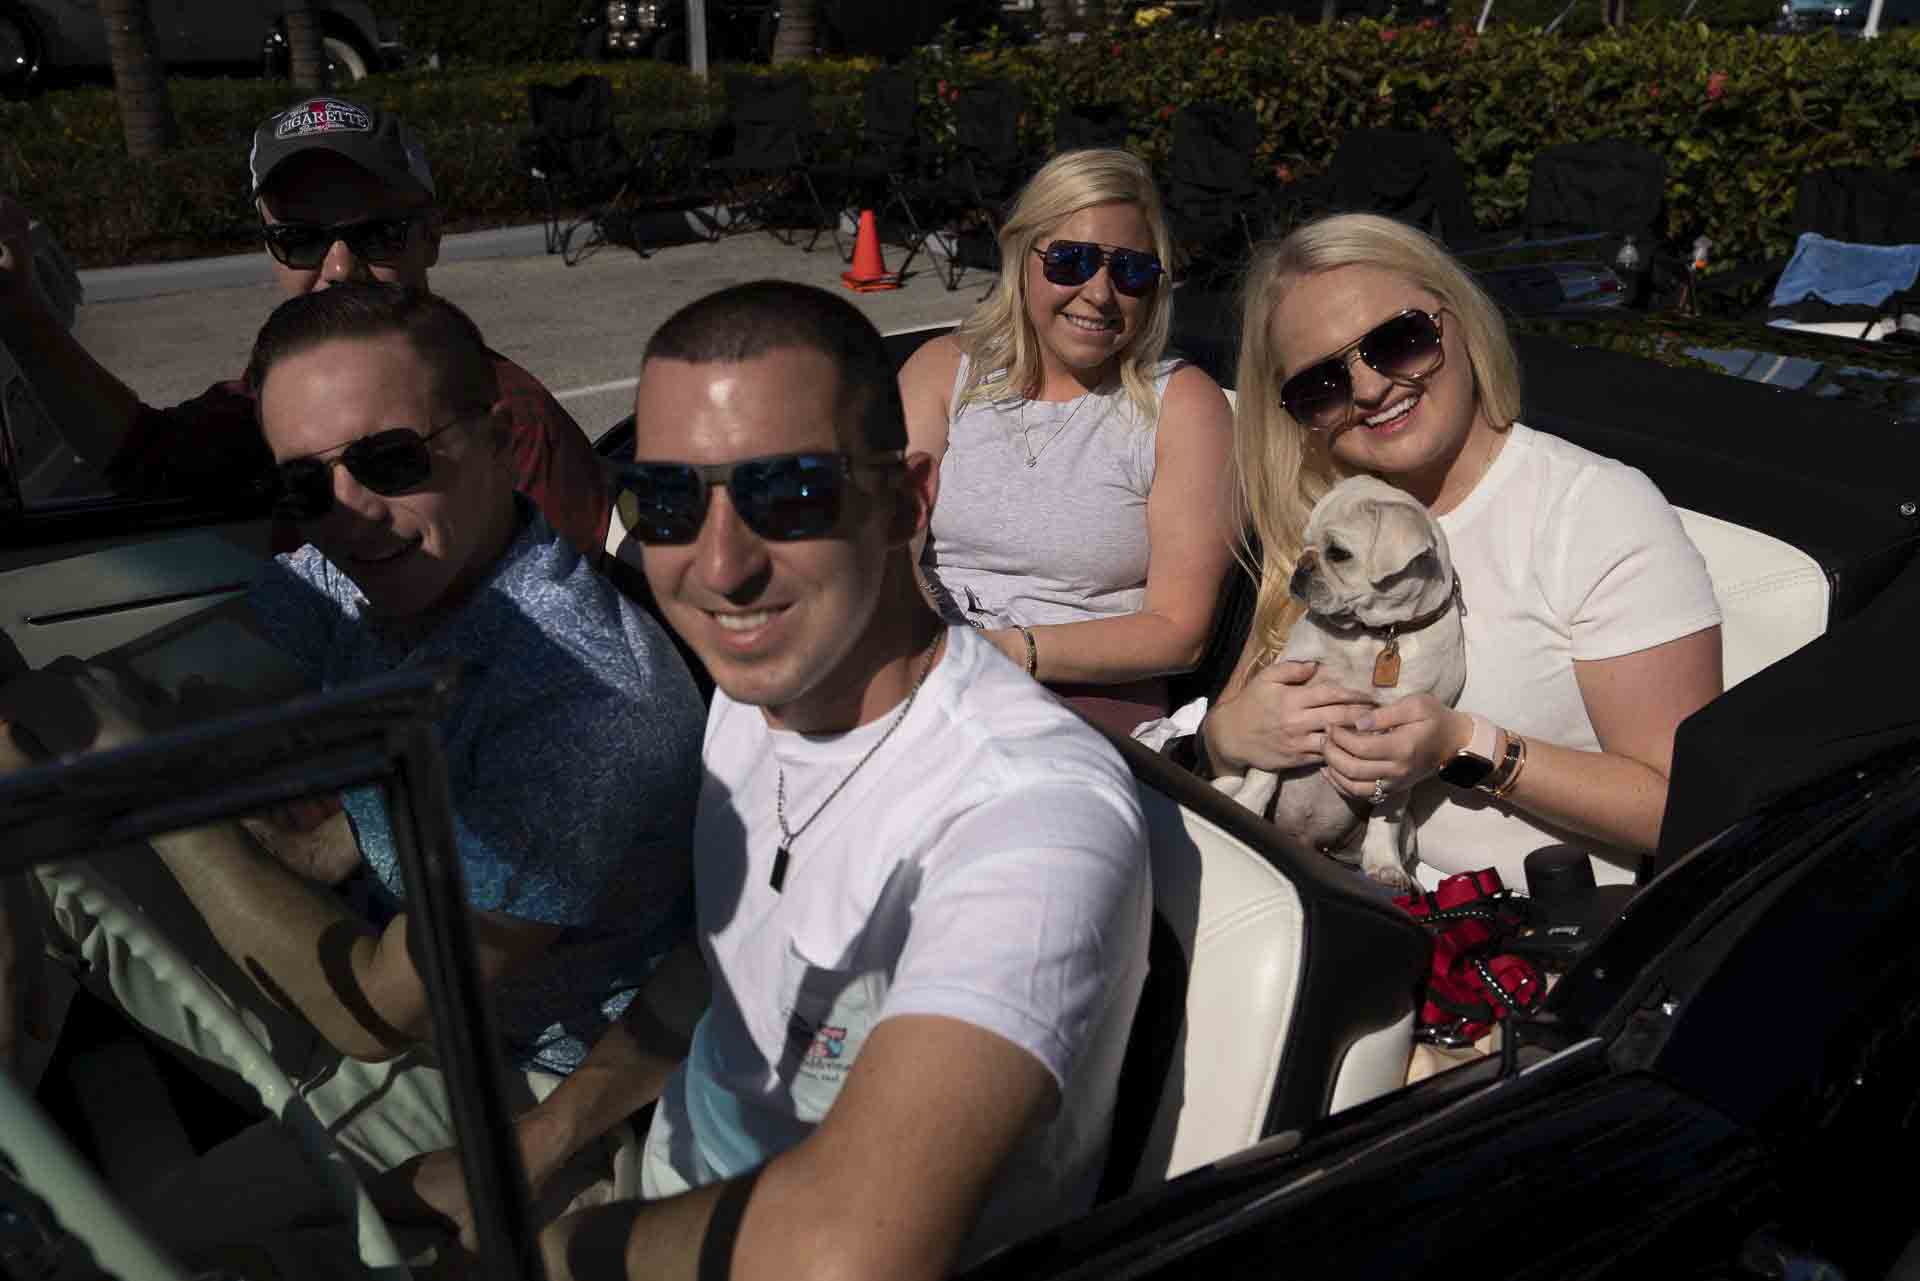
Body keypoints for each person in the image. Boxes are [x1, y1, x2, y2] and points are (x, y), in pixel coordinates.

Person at [384, 280, 1152, 1281]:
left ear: (906, 502)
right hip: (650, 1178)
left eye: (787, 495)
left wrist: (548, 1255)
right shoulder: (758, 699)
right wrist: (533, 1145)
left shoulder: (1030, 817)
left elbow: (846, 1250)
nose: (719, 568)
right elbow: (727, 970)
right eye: (666, 502)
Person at [0, 284, 703, 1261]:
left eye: (391, 460)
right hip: (378, 946)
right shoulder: (366, 568)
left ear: (501, 443)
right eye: (305, 485)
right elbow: (169, 685)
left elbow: (378, 1009)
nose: (349, 511)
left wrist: (142, 783)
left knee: (127, 1249)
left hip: (511, 1066)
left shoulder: (579, 702)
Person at [1186, 213, 1723, 888]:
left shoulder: (1591, 510)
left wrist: (1467, 745)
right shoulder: (1325, 511)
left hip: (1523, 924)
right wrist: (1225, 738)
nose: (1370, 389)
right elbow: (1237, 726)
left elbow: (1683, 810)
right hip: (1307, 890)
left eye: (1399, 341)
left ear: (1460, 318)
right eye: (1321, 385)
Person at [0, 95, 610, 559]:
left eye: (378, 235)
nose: (339, 268)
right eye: (300, 240)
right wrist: (20, 309)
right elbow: (144, 456)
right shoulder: (270, 400)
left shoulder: (513, 426)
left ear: (431, 236)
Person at [897, 148, 1235, 734]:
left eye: (1130, 271)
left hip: (1081, 699)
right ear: (1020, 257)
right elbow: (883, 545)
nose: (1100, 293)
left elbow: (1179, 632)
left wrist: (1001, 653)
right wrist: (927, 640)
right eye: (1071, 260)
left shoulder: (1183, 408)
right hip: (923, 661)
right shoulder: (943, 372)